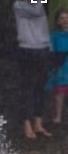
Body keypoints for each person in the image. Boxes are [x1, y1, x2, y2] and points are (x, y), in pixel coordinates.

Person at [14, 1, 54, 139]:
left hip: (43, 48)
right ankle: (27, 124)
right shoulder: (19, 4)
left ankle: (38, 123)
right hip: (27, 49)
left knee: (40, 88)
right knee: (27, 87)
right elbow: (35, 10)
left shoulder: (42, 3)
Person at [51, 10, 68, 123]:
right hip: (61, 67)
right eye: (62, 18)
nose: (65, 20)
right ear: (57, 21)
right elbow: (51, 51)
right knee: (60, 93)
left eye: (67, 17)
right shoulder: (54, 36)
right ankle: (58, 116)